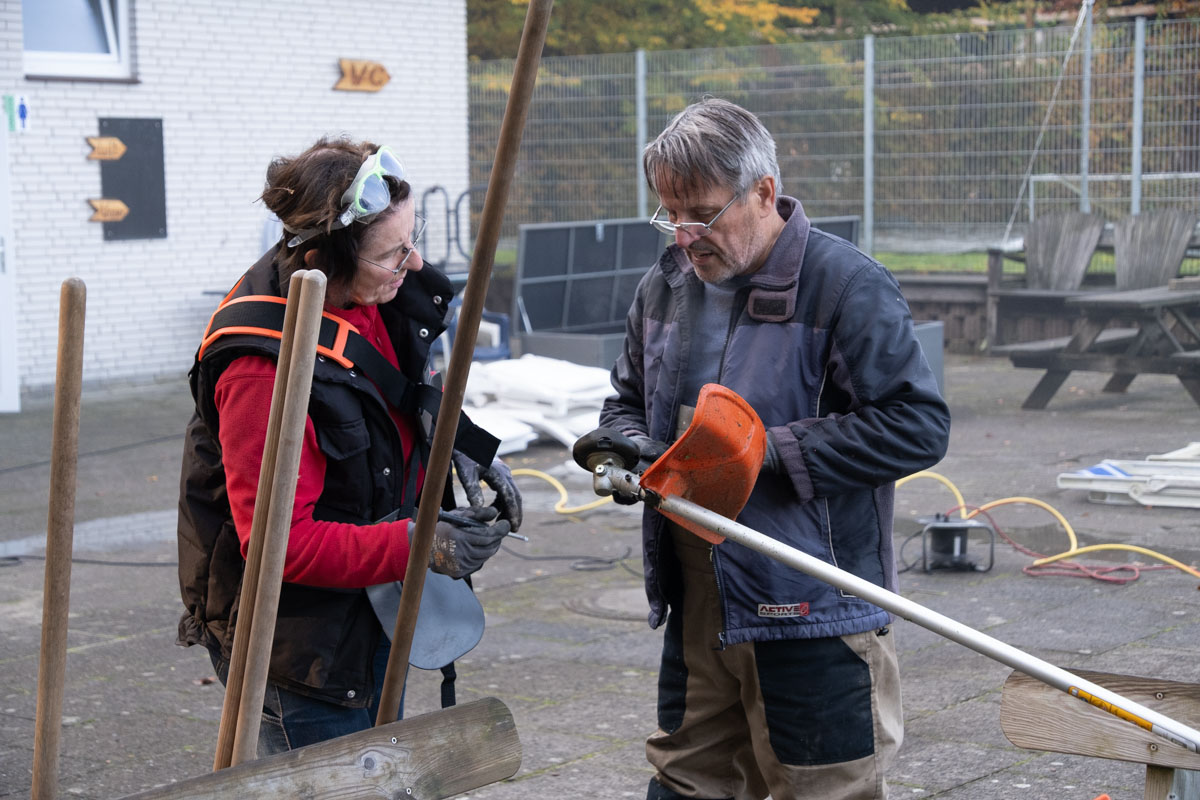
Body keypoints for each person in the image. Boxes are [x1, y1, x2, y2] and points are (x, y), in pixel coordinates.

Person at [593, 98, 951, 800]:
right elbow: (625, 402)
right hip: (697, 594)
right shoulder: (664, 287)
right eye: (670, 212)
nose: (686, 234)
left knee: (822, 787)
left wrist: (767, 454)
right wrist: (624, 450)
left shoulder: (845, 285)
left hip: (809, 597)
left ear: (763, 191)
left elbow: (917, 424)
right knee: (684, 783)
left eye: (701, 211)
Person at [176, 136, 521, 754]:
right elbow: (280, 547)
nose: (413, 265)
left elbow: (397, 387)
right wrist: (420, 545)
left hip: (370, 614)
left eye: (413, 242)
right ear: (320, 257)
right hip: (302, 656)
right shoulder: (261, 372)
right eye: (393, 254)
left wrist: (463, 445)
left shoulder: (366, 294)